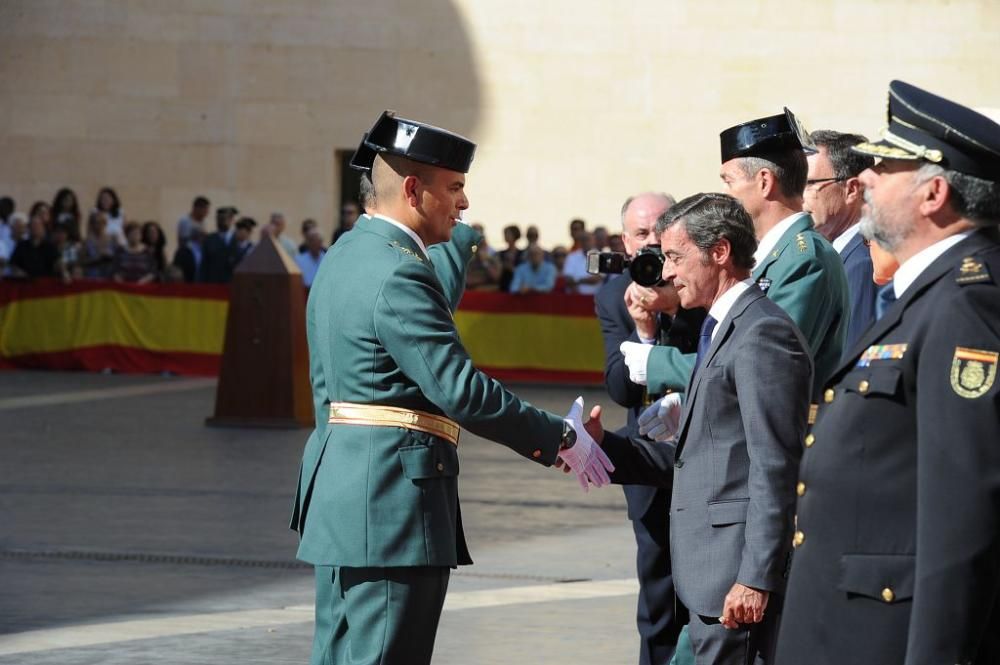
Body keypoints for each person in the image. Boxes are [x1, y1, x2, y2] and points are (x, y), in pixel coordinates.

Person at [290, 111, 612, 665]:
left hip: (343, 496)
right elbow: (459, 389)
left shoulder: (347, 255)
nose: (464, 204)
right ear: (414, 190)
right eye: (456, 188)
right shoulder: (398, 272)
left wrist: (458, 243)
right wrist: (562, 437)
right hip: (391, 504)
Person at [776, 81, 1000, 665]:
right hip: (849, 624)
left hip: (883, 636)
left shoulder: (964, 306)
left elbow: (964, 514)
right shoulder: (929, 294)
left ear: (934, 193)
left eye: (886, 164)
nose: (867, 177)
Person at [592, 193, 812, 665]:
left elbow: (774, 465)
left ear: (720, 252)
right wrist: (603, 448)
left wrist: (755, 577)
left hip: (734, 581)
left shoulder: (760, 332)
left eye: (675, 257)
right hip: (709, 575)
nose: (666, 273)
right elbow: (701, 453)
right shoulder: (722, 327)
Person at [622, 109, 849, 403]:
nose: (725, 193)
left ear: (765, 182)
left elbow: (762, 359)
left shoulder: (803, 258)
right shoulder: (777, 254)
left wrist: (661, 363)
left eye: (729, 181)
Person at [595, 191, 703, 665]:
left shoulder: (699, 280)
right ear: (626, 240)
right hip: (649, 461)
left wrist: (675, 310)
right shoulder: (614, 293)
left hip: (707, 450)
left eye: (662, 229)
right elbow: (620, 390)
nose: (653, 242)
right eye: (642, 234)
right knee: (658, 591)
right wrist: (642, 330)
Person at [805, 130, 878, 349]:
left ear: (851, 189)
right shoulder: (836, 252)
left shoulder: (863, 262)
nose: (799, 195)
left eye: (809, 183)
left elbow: (851, 354)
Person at [201, 206, 238, 283]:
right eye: (220, 219)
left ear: (231, 220)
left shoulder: (237, 240)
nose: (222, 221)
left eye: (225, 218)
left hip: (232, 284)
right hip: (213, 285)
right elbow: (204, 266)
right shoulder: (209, 240)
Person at [563, 230, 604, 294]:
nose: (585, 242)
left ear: (594, 240)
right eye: (583, 240)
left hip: (595, 298)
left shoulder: (601, 256)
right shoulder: (572, 256)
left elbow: (596, 279)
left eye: (588, 239)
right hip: (575, 297)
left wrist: (577, 280)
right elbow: (568, 279)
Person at [81, 211, 116, 279]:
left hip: (108, 276)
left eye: (102, 222)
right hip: (92, 276)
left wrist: (110, 256)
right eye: (97, 223)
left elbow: (118, 259)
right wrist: (98, 258)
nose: (100, 225)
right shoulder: (87, 241)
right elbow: (82, 261)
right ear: (92, 224)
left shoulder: (112, 239)